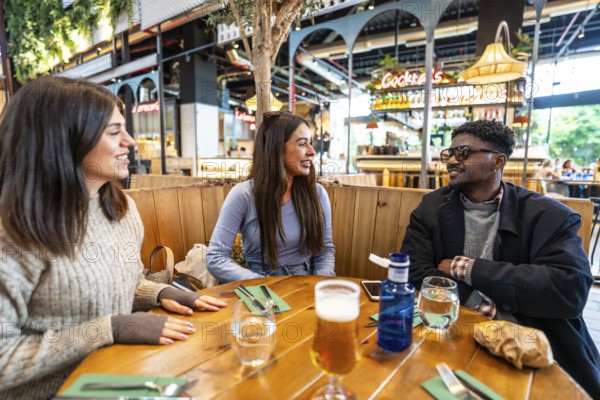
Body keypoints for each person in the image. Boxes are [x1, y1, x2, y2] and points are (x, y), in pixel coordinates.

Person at [0, 76, 226, 399]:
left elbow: (125, 284)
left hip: (119, 379)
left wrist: (161, 293)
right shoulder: (13, 232)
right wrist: (108, 329)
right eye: (114, 132)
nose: (130, 141)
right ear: (66, 140)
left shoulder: (122, 210)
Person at [401, 120, 600, 397]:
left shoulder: (548, 215)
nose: (451, 161)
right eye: (450, 153)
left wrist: (466, 268)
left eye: (464, 153)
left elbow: (570, 289)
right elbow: (415, 270)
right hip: (455, 330)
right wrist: (483, 305)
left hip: (537, 339)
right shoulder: (432, 206)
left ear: (498, 161)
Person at [207, 111, 335, 282]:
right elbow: (216, 257)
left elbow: (324, 252)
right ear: (277, 149)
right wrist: (261, 283)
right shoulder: (243, 194)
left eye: (311, 143)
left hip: (305, 283)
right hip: (260, 283)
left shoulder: (317, 193)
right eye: (302, 144)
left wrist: (318, 287)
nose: (312, 152)